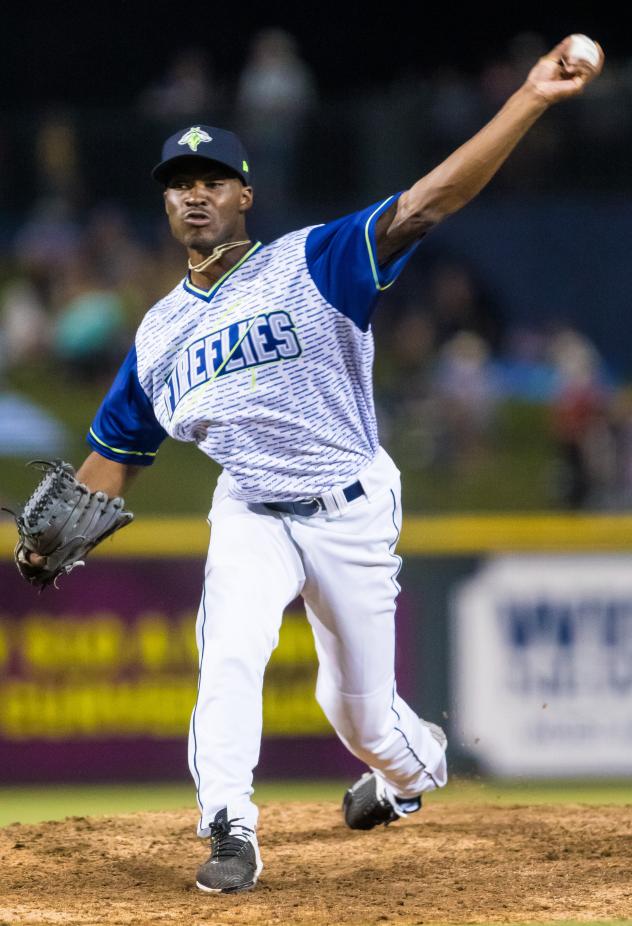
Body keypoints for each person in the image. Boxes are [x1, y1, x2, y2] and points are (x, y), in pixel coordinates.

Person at [26, 36, 603, 894]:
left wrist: (527, 97)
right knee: (227, 650)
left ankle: (409, 778)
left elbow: (435, 198)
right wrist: (49, 543)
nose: (194, 194)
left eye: (212, 179)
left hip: (349, 505)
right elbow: (116, 455)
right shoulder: (154, 336)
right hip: (250, 508)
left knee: (362, 720)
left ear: (244, 194)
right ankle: (230, 827)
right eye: (180, 184)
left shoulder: (315, 259)